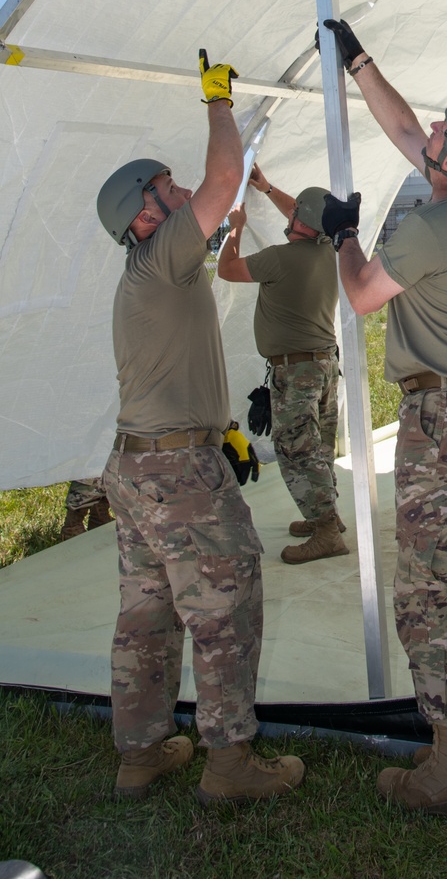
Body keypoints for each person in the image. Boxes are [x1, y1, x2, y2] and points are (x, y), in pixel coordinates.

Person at [321, 17, 447, 818]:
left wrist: (344, 237)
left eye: (444, 133)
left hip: (442, 427)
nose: (430, 132)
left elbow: (363, 293)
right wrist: (360, 62)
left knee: (428, 589)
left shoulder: (432, 224)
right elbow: (407, 126)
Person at [96, 51, 304, 804]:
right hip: (177, 476)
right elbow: (221, 183)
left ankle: (142, 753)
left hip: (140, 464)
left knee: (148, 614)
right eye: (165, 188)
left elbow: (216, 201)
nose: (180, 190)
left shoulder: (156, 269)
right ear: (145, 215)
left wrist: (221, 428)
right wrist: (219, 103)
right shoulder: (160, 257)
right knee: (227, 603)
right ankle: (230, 766)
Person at [216, 168, 348, 565]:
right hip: (324, 364)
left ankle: (326, 529)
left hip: (296, 372)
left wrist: (234, 228)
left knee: (296, 449)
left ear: (299, 224)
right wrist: (267, 188)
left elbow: (226, 268)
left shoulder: (279, 258)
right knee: (319, 447)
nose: (287, 217)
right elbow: (302, 211)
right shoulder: (331, 248)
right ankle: (328, 517)